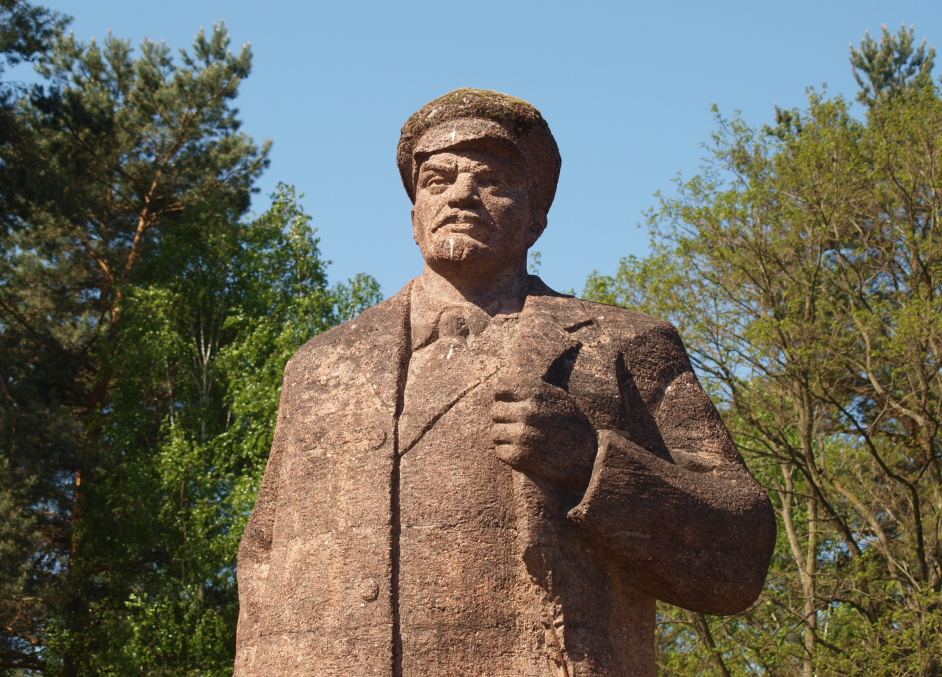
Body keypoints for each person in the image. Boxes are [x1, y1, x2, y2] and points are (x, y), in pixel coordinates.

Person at [234, 89, 775, 677]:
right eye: (437, 179)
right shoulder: (322, 367)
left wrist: (594, 465)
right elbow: (262, 561)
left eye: (492, 180)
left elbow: (739, 550)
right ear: (413, 213)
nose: (461, 193)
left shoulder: (621, 345)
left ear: (537, 217)